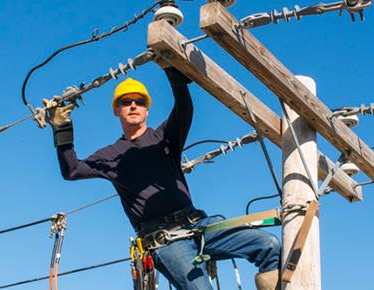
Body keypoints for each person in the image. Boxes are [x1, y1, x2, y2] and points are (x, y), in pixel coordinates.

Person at [47, 67, 280, 290]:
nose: (133, 106)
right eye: (125, 102)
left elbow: (184, 108)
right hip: (166, 241)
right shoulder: (110, 155)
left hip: (198, 224)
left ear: (147, 109)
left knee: (270, 246)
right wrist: (62, 129)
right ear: (116, 111)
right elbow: (73, 170)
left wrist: (171, 69)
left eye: (139, 102)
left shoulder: (164, 137)